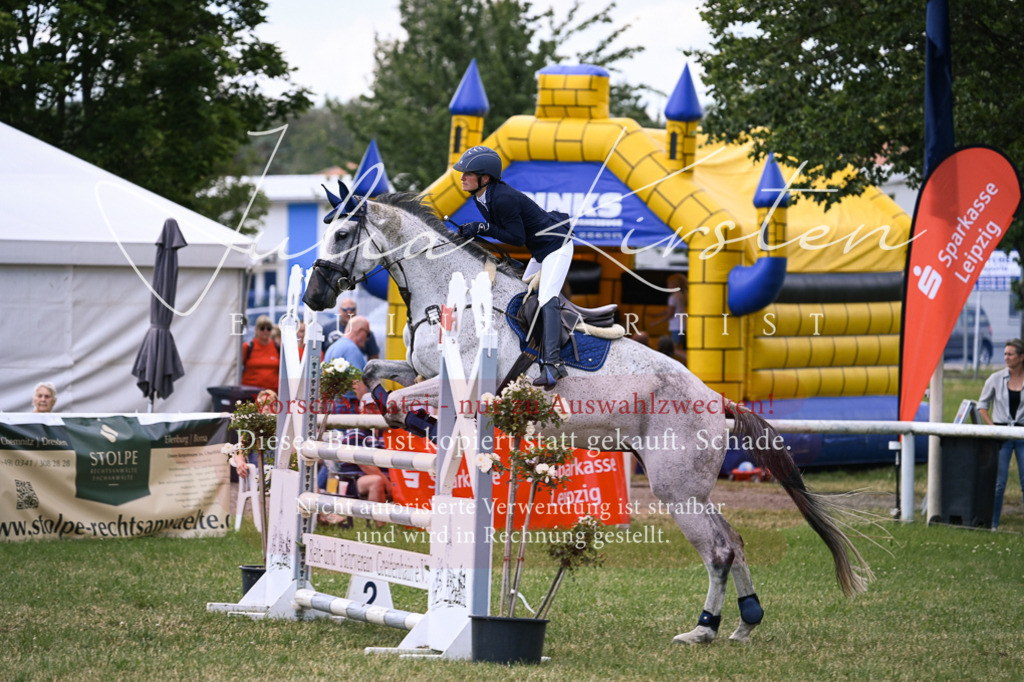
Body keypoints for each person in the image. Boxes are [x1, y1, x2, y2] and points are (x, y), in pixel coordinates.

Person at [453, 145, 574, 388]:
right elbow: (502, 231)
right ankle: (528, 345)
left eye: (468, 173)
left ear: (484, 178)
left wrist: (481, 228)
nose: (462, 177)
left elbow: (516, 238)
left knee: (546, 298)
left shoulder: (503, 198)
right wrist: (476, 232)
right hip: (541, 251)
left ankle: (553, 364)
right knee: (520, 291)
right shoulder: (481, 197)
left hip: (558, 247)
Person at [977, 339, 1024, 530]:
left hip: (1021, 434)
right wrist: (992, 428)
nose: (1006, 357)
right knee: (998, 482)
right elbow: (982, 405)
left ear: (1021, 357)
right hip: (1001, 435)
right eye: (1005, 354)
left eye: (1010, 354)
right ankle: (993, 524)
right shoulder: (995, 379)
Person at [323, 315, 371, 410]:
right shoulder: (351, 349)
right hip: (346, 407)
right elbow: (357, 383)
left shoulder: (333, 347)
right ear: (360, 331)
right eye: (368, 334)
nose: (367, 339)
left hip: (331, 406)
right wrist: (368, 407)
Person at [651, 272, 688, 363]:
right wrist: (656, 315)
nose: (667, 287)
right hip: (684, 325)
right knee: (680, 348)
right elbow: (671, 310)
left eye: (668, 284)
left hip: (676, 326)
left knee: (674, 349)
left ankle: (690, 359)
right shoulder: (683, 295)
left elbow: (670, 314)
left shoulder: (673, 297)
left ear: (673, 285)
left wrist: (657, 322)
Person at [241, 315, 281, 391]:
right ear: (256, 330)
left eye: (268, 328)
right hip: (249, 393)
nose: (265, 331)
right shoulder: (247, 347)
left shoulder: (277, 347)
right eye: (262, 328)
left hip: (272, 394)